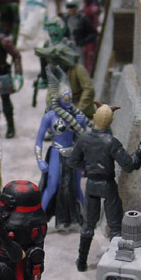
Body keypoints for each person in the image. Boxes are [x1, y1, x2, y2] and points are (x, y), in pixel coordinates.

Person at [68, 104, 141, 272]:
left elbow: (73, 161)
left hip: (92, 183)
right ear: (111, 122)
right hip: (107, 184)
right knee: (115, 226)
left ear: (94, 117)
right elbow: (129, 165)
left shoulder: (84, 138)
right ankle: (114, 262)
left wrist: (88, 167)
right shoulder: (111, 142)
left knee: (88, 224)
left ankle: (82, 261)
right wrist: (140, 152)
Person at [35, 66, 86, 228]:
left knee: (76, 188)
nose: (69, 101)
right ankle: (39, 220)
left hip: (72, 152)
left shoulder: (74, 114)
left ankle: (87, 219)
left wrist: (82, 123)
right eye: (66, 98)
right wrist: (40, 160)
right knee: (51, 187)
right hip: (57, 152)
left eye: (70, 98)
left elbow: (82, 135)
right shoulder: (49, 117)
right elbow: (39, 140)